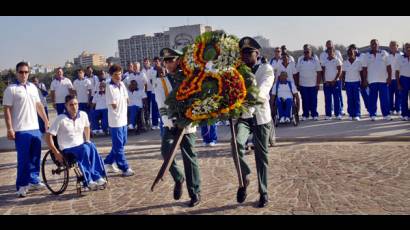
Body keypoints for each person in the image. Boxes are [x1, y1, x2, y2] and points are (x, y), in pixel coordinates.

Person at [154, 48, 201, 207]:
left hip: (187, 125)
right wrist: (170, 123)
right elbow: (161, 104)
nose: (168, 63)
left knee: (190, 158)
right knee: (166, 151)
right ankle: (179, 177)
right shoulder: (161, 81)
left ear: (178, 60)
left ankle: (195, 192)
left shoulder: (189, 78)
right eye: (165, 61)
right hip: (171, 125)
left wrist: (191, 116)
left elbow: (196, 98)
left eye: (171, 60)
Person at [235, 37, 275, 208]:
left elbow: (262, 91)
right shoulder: (237, 70)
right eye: (242, 53)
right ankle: (245, 176)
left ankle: (263, 192)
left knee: (261, 156)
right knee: (236, 144)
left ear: (257, 54)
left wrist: (246, 96)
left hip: (260, 116)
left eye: (248, 53)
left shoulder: (266, 69)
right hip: (244, 116)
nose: (245, 56)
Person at [3, 61, 49, 197]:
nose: (23, 74)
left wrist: (46, 120)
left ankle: (34, 180)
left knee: (35, 157)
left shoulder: (33, 88)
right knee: (23, 159)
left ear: (29, 73)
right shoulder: (11, 89)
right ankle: (22, 185)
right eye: (21, 72)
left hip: (35, 128)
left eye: (26, 72)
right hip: (21, 129)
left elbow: (39, 105)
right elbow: (7, 110)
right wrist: (10, 128)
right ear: (16, 73)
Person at [46, 95, 107, 190]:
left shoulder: (83, 114)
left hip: (80, 145)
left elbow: (87, 126)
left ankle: (97, 176)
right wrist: (56, 152)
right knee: (84, 149)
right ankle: (88, 180)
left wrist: (87, 140)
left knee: (91, 145)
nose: (74, 107)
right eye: (71, 105)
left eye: (76, 104)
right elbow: (48, 136)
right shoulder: (61, 118)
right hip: (67, 148)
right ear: (66, 106)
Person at [104, 64, 134, 176]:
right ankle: (124, 168)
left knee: (122, 142)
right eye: (115, 75)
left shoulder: (122, 84)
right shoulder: (109, 87)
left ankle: (107, 162)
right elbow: (114, 105)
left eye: (120, 74)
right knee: (119, 146)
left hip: (123, 119)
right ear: (111, 75)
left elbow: (127, 99)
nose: (118, 76)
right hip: (115, 121)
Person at [362, 39, 393, 121]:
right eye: (372, 44)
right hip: (372, 80)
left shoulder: (384, 53)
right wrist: (365, 80)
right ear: (370, 45)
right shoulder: (366, 55)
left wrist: (389, 77)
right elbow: (364, 69)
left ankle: (386, 114)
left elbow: (389, 66)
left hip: (383, 80)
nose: (374, 45)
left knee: (384, 99)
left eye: (375, 44)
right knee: (372, 99)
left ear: (378, 45)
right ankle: (372, 114)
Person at [295, 44, 322, 121]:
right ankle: (305, 115)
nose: (306, 53)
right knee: (305, 100)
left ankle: (314, 114)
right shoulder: (300, 60)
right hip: (303, 84)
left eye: (307, 51)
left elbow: (319, 72)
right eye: (305, 52)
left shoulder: (315, 60)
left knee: (313, 100)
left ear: (311, 51)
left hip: (313, 84)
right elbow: (297, 72)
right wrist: (297, 84)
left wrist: (318, 83)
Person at [320, 40, 345, 116]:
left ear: (333, 45)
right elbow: (322, 68)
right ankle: (330, 111)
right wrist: (324, 80)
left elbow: (340, 66)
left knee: (338, 96)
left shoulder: (337, 52)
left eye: (330, 45)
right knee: (328, 98)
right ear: (326, 46)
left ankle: (340, 110)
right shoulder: (322, 54)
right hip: (327, 80)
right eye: (328, 45)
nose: (329, 47)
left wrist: (338, 78)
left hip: (336, 79)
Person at [342, 46, 364, 121]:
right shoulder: (345, 63)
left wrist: (363, 81)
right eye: (349, 53)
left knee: (356, 99)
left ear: (354, 53)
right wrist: (343, 84)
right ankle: (351, 114)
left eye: (351, 53)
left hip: (356, 82)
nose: (350, 54)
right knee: (349, 99)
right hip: (348, 83)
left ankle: (357, 114)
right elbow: (343, 74)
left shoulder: (358, 62)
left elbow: (361, 73)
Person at [388, 41, 403, 115]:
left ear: (397, 46)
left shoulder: (402, 55)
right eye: (391, 46)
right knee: (390, 95)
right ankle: (391, 109)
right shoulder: (387, 56)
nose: (392, 47)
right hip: (390, 79)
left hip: (399, 79)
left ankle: (398, 109)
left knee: (398, 95)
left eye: (394, 45)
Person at [397, 43, 410, 121]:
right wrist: (398, 83)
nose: (408, 49)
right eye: (407, 48)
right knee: (404, 98)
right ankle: (404, 114)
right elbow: (397, 72)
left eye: (409, 47)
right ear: (404, 49)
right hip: (404, 79)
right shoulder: (400, 58)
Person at [149, 57, 162, 130]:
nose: (156, 62)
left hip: (161, 91)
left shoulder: (163, 68)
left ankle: (163, 122)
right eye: (155, 61)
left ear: (160, 62)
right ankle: (155, 124)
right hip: (154, 91)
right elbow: (151, 80)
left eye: (157, 61)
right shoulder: (151, 70)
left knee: (162, 107)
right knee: (154, 108)